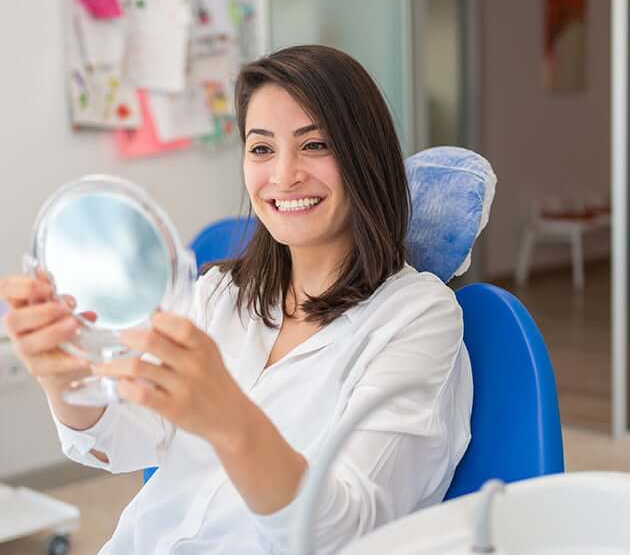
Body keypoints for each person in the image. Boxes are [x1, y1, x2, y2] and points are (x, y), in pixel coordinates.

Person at [0, 45, 472, 554]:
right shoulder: (219, 295)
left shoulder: (415, 318)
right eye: (262, 148)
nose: (284, 175)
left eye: (315, 145)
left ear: (363, 154)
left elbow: (343, 531)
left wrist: (229, 420)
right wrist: (63, 377)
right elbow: (124, 440)